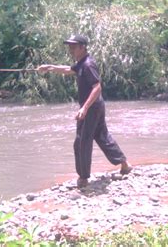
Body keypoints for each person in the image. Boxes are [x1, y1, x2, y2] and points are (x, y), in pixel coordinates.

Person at [36, 34, 132, 188]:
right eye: (69, 47)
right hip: (96, 106)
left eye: (73, 47)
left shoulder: (87, 65)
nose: (70, 50)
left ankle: (83, 177)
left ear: (83, 47)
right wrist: (49, 67)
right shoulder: (81, 63)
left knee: (82, 141)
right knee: (102, 136)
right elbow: (68, 69)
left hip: (91, 108)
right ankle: (124, 164)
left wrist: (84, 108)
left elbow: (97, 87)